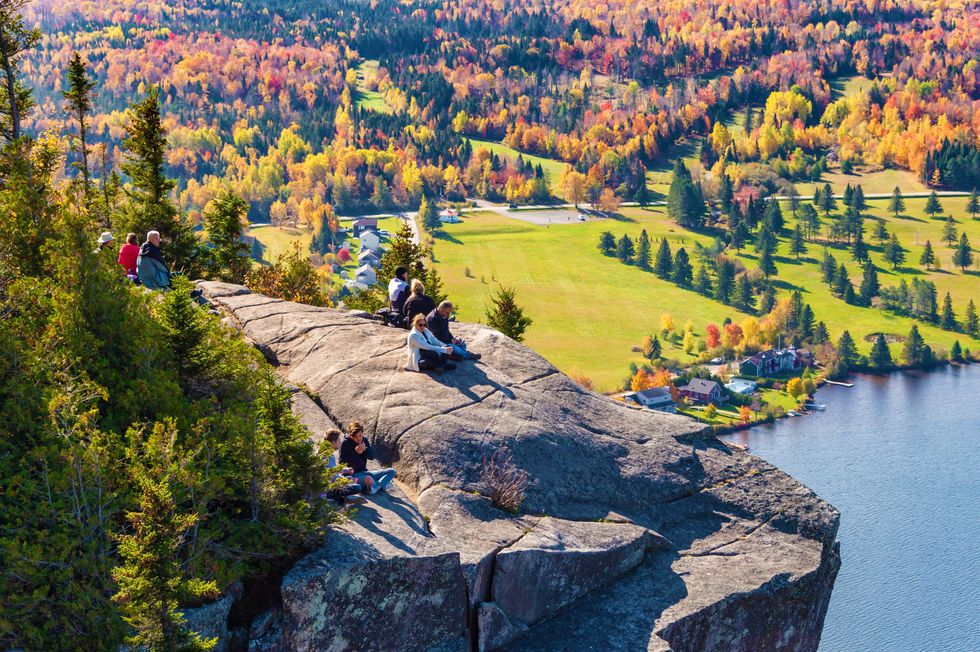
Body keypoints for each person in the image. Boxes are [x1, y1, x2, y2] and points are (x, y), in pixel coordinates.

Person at [338, 422, 396, 495]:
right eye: (356, 437)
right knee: (368, 478)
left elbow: (371, 457)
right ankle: (379, 485)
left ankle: (376, 487)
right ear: (350, 435)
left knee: (391, 471)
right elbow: (342, 463)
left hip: (365, 472)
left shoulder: (364, 440)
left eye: (360, 435)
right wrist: (356, 453)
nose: (359, 439)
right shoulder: (345, 443)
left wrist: (365, 449)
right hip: (354, 476)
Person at [324, 429, 362, 505]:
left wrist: (345, 470)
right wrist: (347, 481)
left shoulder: (324, 452)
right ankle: (329, 497)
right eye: (338, 440)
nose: (340, 443)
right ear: (333, 442)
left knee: (350, 479)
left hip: (326, 486)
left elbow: (333, 470)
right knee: (357, 487)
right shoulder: (328, 456)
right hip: (326, 491)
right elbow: (334, 479)